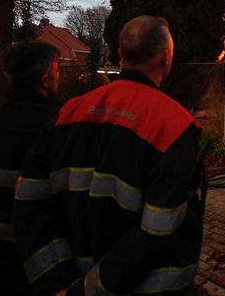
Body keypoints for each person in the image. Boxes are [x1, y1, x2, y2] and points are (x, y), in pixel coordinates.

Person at [13, 16, 203, 296]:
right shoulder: (174, 125)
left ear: (120, 54)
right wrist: (89, 290)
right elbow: (157, 231)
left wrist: (58, 282)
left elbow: (29, 203)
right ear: (166, 58)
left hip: (64, 282)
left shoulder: (67, 113)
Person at [0, 40, 61, 295]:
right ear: (45, 79)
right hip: (41, 257)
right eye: (57, 71)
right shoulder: (57, 125)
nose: (58, 77)